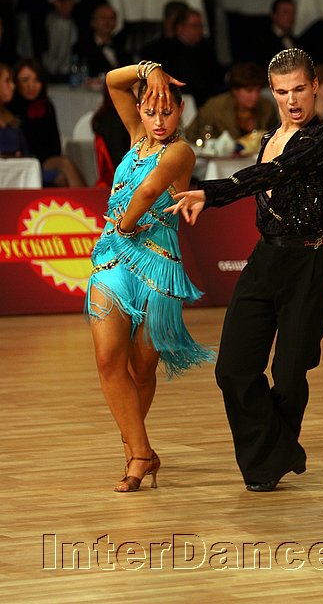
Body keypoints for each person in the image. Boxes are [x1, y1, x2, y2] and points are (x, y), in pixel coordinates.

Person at [165, 48, 323, 492]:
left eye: (299, 89)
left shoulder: (318, 142)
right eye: (281, 92)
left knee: (289, 374)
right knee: (232, 369)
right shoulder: (270, 137)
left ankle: (266, 465)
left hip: (308, 264)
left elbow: (270, 176)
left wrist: (210, 193)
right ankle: (279, 451)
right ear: (272, 92)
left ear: (314, 86)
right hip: (265, 261)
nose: (292, 100)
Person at [85, 60, 214, 492]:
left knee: (142, 371)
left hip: (158, 265)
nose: (158, 120)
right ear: (139, 111)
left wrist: (123, 227)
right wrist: (150, 70)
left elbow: (148, 191)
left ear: (181, 111)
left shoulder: (181, 152)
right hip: (112, 261)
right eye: (150, 110)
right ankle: (140, 453)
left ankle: (135, 452)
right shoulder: (136, 137)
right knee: (108, 359)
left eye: (167, 112)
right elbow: (112, 81)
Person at [9, 57, 86, 186]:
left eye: (37, 80)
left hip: (45, 160)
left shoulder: (46, 106)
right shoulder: (9, 110)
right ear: (15, 82)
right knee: (62, 171)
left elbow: (55, 147)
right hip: (22, 162)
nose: (31, 86)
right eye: (25, 80)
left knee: (64, 163)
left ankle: (85, 197)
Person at [141, 7, 225, 107]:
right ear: (180, 27)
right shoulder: (165, 50)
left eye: (201, 26)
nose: (200, 30)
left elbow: (214, 75)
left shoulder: (205, 48)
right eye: (195, 26)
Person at [185, 61, 278, 146]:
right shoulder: (214, 107)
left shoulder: (267, 107)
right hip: (220, 158)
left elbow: (276, 137)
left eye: (258, 90)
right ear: (234, 90)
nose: (255, 96)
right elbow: (191, 135)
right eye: (249, 91)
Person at [72, 1, 131, 80]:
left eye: (111, 18)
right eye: (103, 18)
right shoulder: (82, 47)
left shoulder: (122, 46)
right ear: (92, 22)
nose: (107, 22)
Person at [0, 62, 29, 157]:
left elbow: (25, 155)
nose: (13, 86)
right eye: (7, 81)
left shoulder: (12, 119)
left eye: (12, 81)